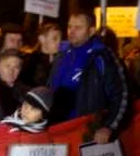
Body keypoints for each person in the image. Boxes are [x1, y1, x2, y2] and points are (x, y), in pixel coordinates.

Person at [48, 11, 130, 143]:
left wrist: (108, 126)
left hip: (86, 134)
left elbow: (121, 95)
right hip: (58, 131)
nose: (71, 31)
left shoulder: (103, 57)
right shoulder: (61, 54)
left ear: (91, 31)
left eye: (78, 27)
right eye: (70, 26)